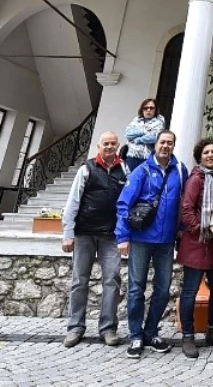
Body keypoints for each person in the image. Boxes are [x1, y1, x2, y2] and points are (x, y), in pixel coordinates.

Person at [117, 130, 186, 359]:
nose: (166, 146)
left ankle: (151, 331)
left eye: (170, 143)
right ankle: (135, 335)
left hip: (166, 241)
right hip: (141, 239)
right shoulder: (142, 171)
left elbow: (183, 204)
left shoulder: (179, 170)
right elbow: (124, 203)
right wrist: (122, 236)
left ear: (174, 146)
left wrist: (181, 231)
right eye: (162, 142)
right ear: (155, 145)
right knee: (136, 288)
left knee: (163, 289)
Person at [61, 131, 128, 348]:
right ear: (98, 146)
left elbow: (127, 202)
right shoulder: (86, 169)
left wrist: (124, 234)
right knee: (80, 280)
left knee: (112, 280)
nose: (109, 147)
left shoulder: (124, 170)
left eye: (113, 144)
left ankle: (108, 328)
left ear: (118, 146)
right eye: (105, 144)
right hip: (85, 233)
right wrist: (68, 233)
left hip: (111, 236)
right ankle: (75, 327)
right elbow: (73, 202)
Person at [176, 138, 213, 358]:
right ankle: (188, 336)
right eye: (206, 152)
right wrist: (201, 230)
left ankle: (212, 330)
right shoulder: (196, 179)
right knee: (190, 292)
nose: (210, 155)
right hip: (197, 242)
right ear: (200, 156)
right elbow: (186, 210)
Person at [124, 98, 165, 172]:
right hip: (131, 157)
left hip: (146, 158)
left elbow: (154, 137)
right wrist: (143, 131)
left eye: (151, 108)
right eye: (146, 108)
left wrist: (137, 140)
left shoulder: (159, 122)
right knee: (129, 180)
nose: (148, 110)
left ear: (155, 110)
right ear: (142, 109)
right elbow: (128, 134)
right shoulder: (136, 120)